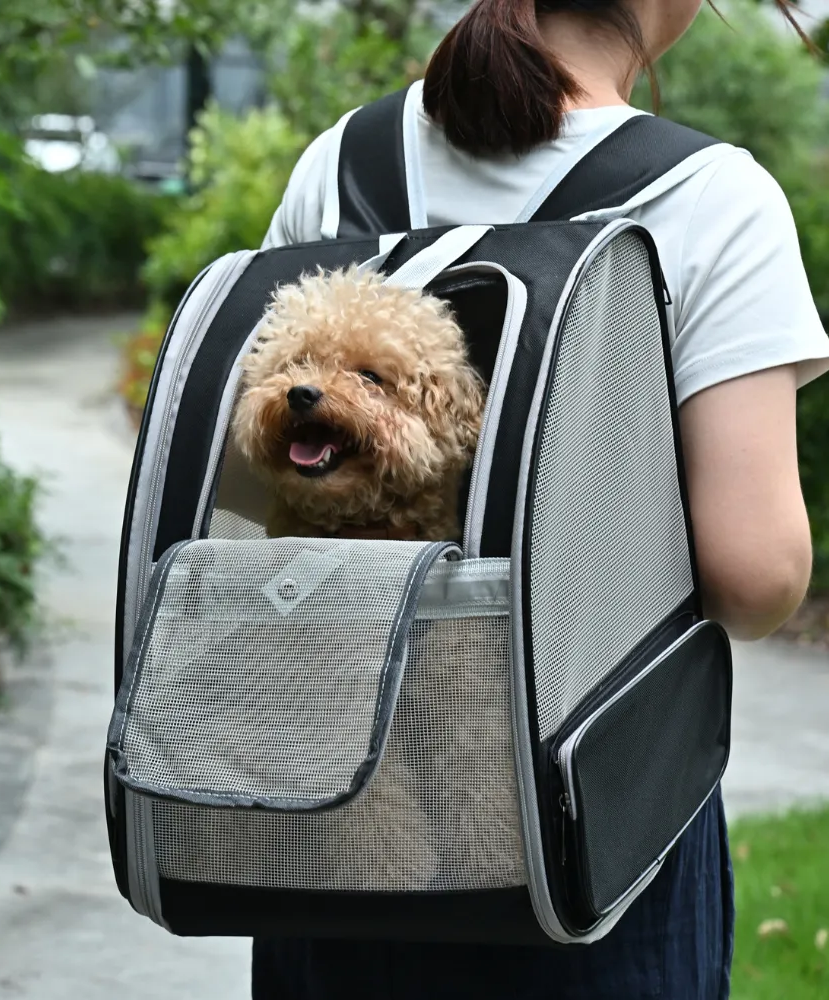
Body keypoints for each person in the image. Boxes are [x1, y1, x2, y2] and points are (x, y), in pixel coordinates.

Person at [253, 2, 829, 998]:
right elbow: (755, 575)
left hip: (342, 793)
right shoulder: (712, 197)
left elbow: (254, 479)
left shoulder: (341, 163)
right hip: (594, 814)